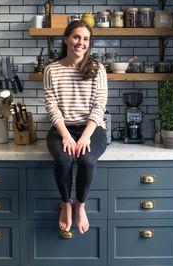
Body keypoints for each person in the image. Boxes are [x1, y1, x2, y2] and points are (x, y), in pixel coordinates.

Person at [43, 20, 108, 234]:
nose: (81, 43)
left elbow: (99, 106)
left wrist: (85, 136)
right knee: (64, 159)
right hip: (62, 128)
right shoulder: (51, 70)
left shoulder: (98, 69)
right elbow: (51, 106)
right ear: (66, 39)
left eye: (86, 39)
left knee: (87, 160)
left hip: (92, 128)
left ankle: (80, 204)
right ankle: (65, 203)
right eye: (76, 37)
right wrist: (66, 136)